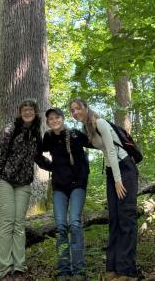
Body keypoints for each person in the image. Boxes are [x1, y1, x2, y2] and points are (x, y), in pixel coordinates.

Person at [69, 98, 138, 281]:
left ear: (85, 108)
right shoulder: (86, 129)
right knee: (114, 218)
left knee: (127, 218)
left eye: (78, 108)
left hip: (124, 169)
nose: (75, 112)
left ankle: (128, 270)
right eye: (72, 111)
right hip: (111, 171)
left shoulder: (99, 122)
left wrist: (117, 180)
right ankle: (113, 268)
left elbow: (112, 150)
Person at [0, 100, 51, 281]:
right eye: (24, 109)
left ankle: (19, 268)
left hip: (24, 184)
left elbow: (38, 157)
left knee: (19, 225)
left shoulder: (35, 133)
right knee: (7, 224)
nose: (28, 112)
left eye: (31, 109)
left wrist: (57, 166)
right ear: (20, 112)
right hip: (5, 181)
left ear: (35, 112)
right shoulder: (10, 129)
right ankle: (3, 271)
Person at [41, 107, 90, 281]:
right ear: (48, 122)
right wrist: (51, 167)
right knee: (61, 226)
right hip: (59, 188)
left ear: (62, 118)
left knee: (75, 223)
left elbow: (95, 142)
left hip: (77, 185)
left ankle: (78, 270)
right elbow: (37, 153)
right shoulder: (48, 137)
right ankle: (63, 270)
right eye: (50, 119)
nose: (54, 121)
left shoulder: (75, 134)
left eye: (57, 117)